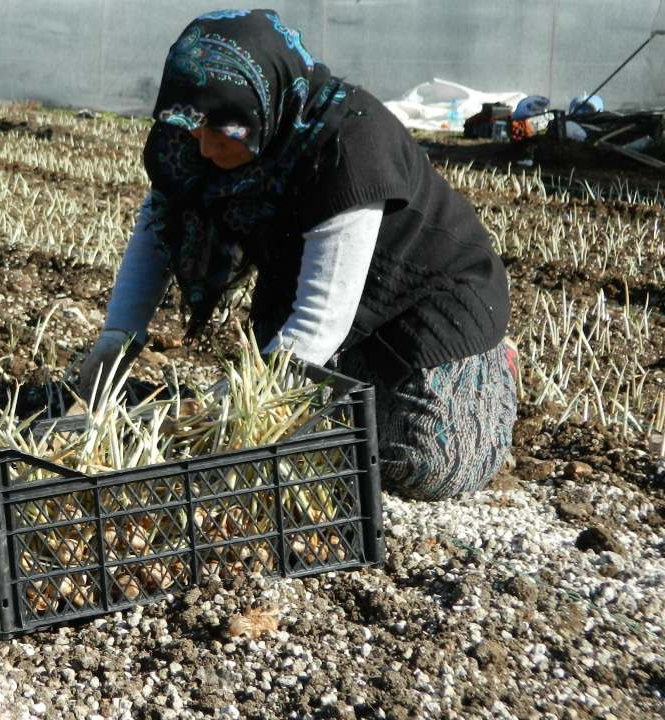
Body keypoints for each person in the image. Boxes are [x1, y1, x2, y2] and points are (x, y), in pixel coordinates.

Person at [79, 9, 517, 502]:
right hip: (316, 293)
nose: (201, 148)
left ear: (257, 107)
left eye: (218, 132)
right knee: (310, 439)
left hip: (426, 305)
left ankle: (490, 374)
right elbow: (157, 227)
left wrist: (240, 414)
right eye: (194, 130)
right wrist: (118, 336)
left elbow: (320, 317)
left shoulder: (349, 145)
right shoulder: (197, 130)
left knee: (423, 466)